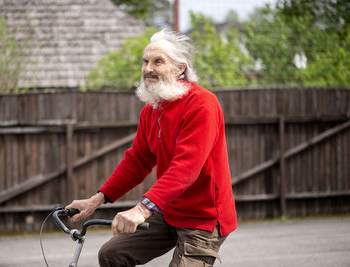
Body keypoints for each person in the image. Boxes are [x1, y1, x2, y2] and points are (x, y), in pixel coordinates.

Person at [66, 29, 237, 267]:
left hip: (204, 218)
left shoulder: (202, 103)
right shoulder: (152, 109)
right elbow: (137, 161)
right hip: (169, 212)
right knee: (112, 254)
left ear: (180, 68)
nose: (148, 68)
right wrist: (96, 200)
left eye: (158, 61)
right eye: (145, 61)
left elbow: (185, 169)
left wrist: (141, 210)